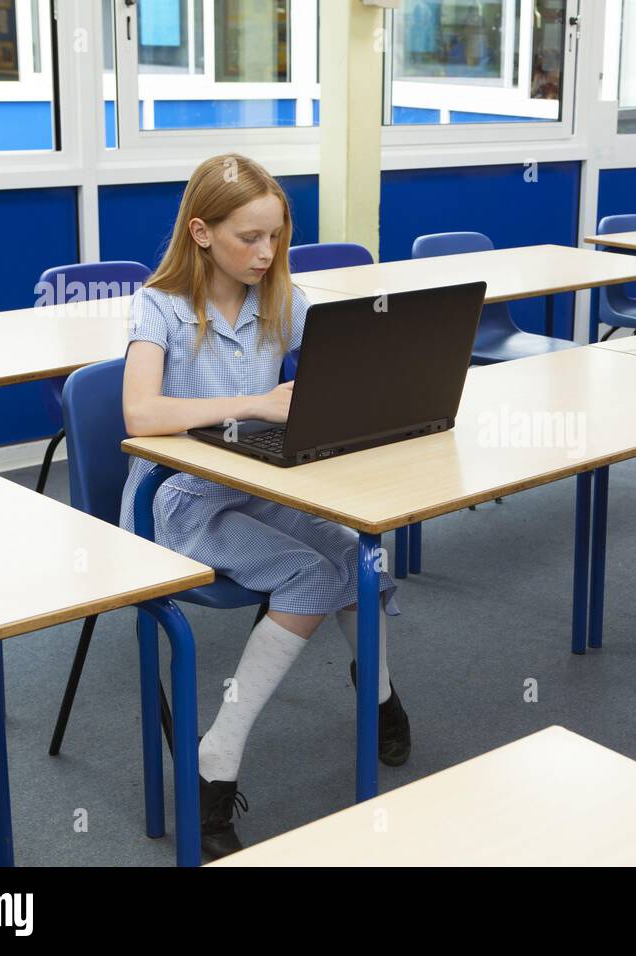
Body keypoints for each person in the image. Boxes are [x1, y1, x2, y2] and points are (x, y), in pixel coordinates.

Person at [118, 153, 409, 861]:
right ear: (201, 232)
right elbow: (139, 410)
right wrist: (251, 401)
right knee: (314, 575)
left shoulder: (281, 298)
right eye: (250, 237)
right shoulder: (158, 306)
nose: (267, 252)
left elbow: (355, 357)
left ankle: (376, 690)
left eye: (276, 236)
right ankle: (217, 758)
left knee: (361, 547)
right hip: (178, 501)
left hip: (257, 484)